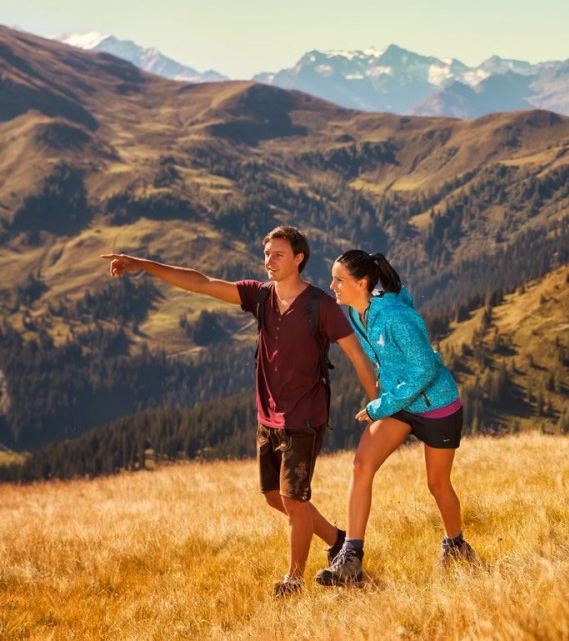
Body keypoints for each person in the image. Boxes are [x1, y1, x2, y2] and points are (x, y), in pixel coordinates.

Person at [101, 226, 379, 597]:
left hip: (305, 418)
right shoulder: (260, 296)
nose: (270, 261)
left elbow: (357, 356)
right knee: (273, 495)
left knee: (295, 500)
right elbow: (200, 283)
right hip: (268, 416)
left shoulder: (320, 305)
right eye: (267, 254)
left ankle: (293, 581)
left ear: (299, 258)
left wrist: (378, 403)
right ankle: (335, 538)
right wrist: (142, 265)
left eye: (278, 254)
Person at [316, 249, 476, 587]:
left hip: (436, 406)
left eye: (339, 280)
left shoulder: (395, 317)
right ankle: (350, 558)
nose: (332, 286)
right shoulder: (359, 313)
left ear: (362, 283)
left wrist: (379, 406)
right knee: (361, 466)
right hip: (400, 403)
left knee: (437, 484)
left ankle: (456, 545)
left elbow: (425, 369)